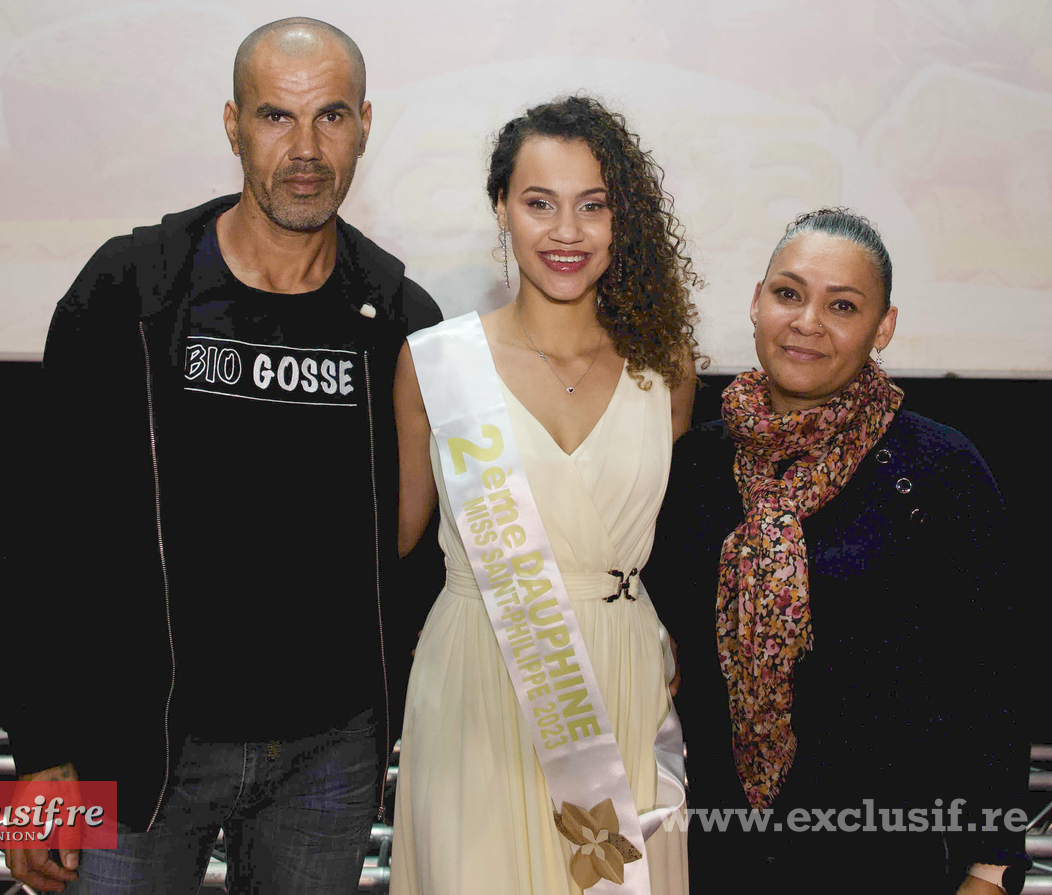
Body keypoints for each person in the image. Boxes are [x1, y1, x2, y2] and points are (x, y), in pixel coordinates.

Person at [4, 17, 441, 894]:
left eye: (332, 117)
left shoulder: (400, 318)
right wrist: (41, 750)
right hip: (138, 746)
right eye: (278, 117)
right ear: (234, 123)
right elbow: (42, 529)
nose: (307, 149)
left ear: (365, 124)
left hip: (328, 757)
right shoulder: (129, 289)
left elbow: (413, 551)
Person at [648, 208, 1031, 894]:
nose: (807, 322)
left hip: (888, 861)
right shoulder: (693, 467)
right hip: (719, 858)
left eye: (843, 304)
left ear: (883, 327)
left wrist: (991, 865)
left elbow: (992, 682)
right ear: (757, 301)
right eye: (788, 293)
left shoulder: (940, 469)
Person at [390, 96, 701, 895]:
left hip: (622, 688)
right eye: (540, 203)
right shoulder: (435, 363)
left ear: (620, 220)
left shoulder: (665, 368)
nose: (567, 232)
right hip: (478, 685)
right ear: (501, 208)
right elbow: (391, 542)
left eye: (592, 206)